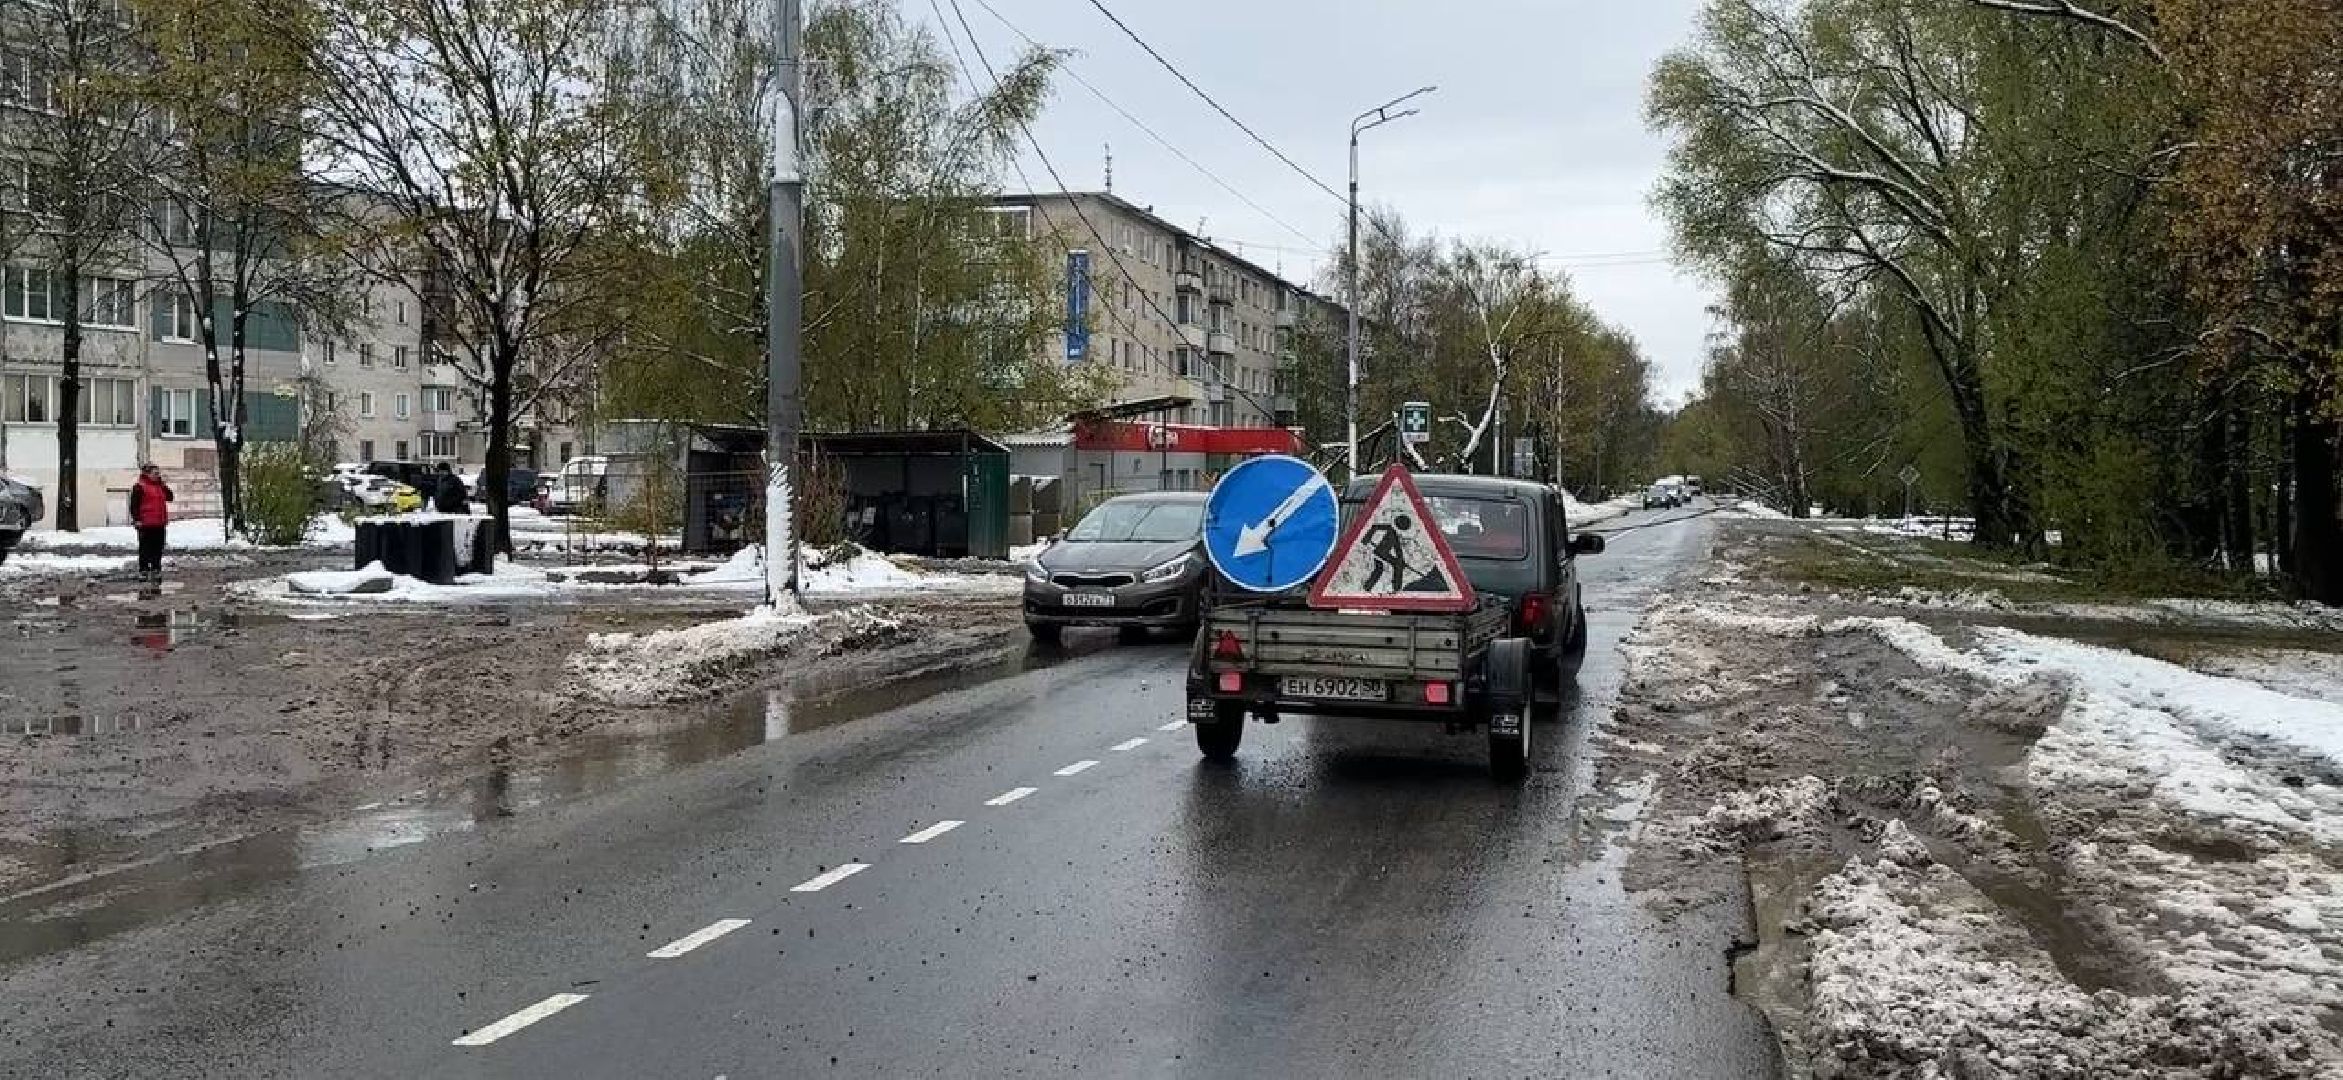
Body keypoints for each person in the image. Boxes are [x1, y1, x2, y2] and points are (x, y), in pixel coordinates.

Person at [129, 463, 173, 581]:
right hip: (145, 523)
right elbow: (134, 505)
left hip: (159, 522)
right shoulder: (139, 486)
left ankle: (156, 568)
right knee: (145, 548)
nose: (158, 475)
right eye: (155, 473)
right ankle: (143, 569)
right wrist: (137, 519)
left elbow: (170, 497)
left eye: (158, 473)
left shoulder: (160, 487)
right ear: (147, 474)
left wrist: (163, 485)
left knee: (158, 547)